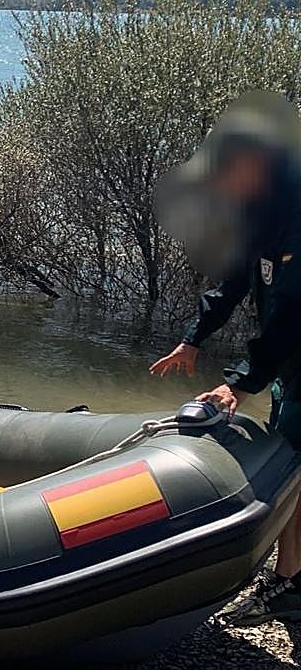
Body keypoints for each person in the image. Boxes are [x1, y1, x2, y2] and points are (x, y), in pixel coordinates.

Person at [150, 90, 301, 626]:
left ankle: (290, 586)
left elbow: (290, 314)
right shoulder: (262, 209)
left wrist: (238, 385)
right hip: (290, 364)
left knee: (293, 463)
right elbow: (235, 278)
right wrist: (195, 337)